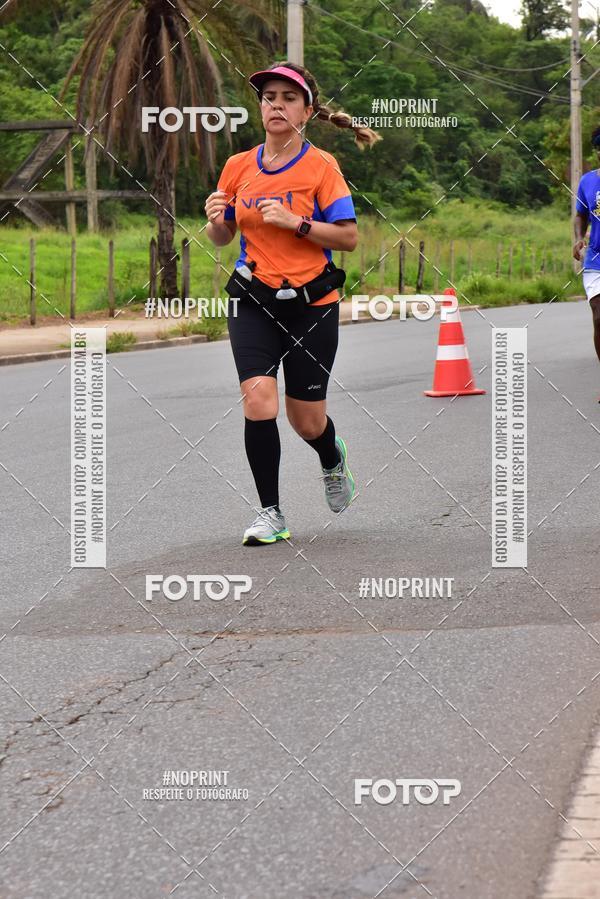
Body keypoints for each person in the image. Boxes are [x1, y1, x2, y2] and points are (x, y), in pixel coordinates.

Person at [205, 61, 380, 545]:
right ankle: (270, 513)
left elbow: (347, 238)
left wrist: (295, 222)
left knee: (306, 420)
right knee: (258, 401)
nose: (275, 104)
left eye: (287, 97)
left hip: (312, 304)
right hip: (253, 300)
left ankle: (331, 456)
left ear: (306, 110)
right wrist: (215, 219)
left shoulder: (322, 166)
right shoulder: (239, 165)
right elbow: (223, 237)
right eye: (268, 97)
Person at [573, 125, 600, 379]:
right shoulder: (588, 181)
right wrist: (579, 238)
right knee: (598, 313)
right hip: (596, 259)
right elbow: (581, 214)